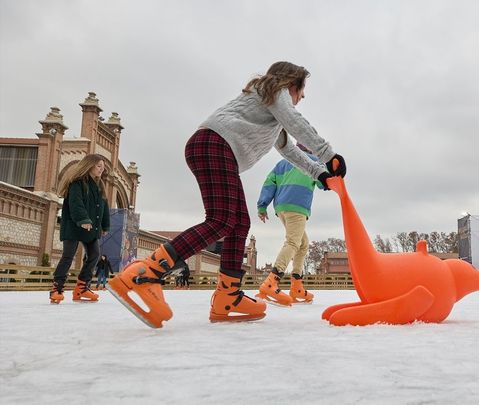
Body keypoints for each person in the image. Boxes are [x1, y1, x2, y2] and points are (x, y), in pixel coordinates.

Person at [108, 61, 346, 328]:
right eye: (301, 92)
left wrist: (320, 174)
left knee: (239, 223)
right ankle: (146, 273)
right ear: (291, 84)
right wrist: (329, 155)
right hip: (215, 145)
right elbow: (295, 121)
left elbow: (290, 151)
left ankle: (228, 296)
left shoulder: (273, 112)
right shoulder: (274, 90)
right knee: (221, 220)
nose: (301, 98)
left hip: (215, 148)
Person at [256, 144, 320, 306]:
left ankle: (296, 286)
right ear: (310, 148)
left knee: (303, 244)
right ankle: (271, 282)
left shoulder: (283, 163)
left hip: (282, 208)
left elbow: (269, 182)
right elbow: (323, 183)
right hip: (297, 206)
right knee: (293, 242)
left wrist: (262, 206)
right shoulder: (313, 162)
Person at [49, 154, 110, 304]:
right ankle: (57, 288)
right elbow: (76, 203)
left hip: (91, 227)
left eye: (103, 167)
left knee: (94, 254)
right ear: (89, 165)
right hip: (74, 225)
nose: (101, 170)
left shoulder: (99, 186)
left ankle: (82, 288)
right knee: (68, 256)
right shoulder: (77, 183)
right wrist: (83, 219)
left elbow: (104, 207)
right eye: (98, 166)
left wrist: (105, 225)